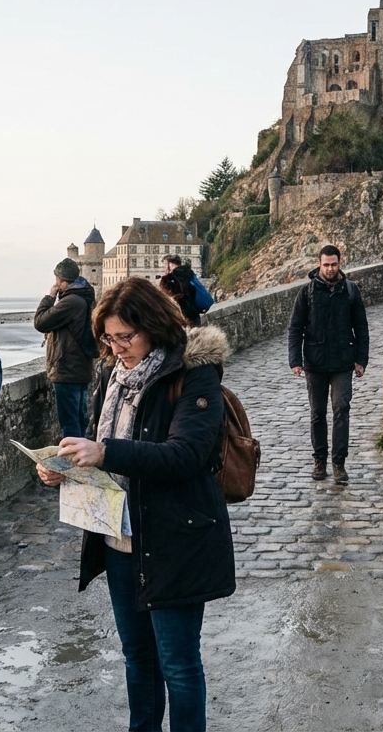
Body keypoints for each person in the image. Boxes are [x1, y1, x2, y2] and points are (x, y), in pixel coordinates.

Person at [37, 276, 235, 732]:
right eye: (108, 337)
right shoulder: (112, 374)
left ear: (155, 326)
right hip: (120, 537)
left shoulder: (193, 373)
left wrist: (105, 451)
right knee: (137, 658)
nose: (117, 346)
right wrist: (61, 469)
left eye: (126, 336)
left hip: (174, 539)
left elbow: (186, 454)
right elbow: (99, 449)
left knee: (178, 665)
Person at [287, 245, 370, 484]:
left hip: (343, 361)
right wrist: (295, 360)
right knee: (317, 414)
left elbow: (361, 328)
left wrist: (361, 359)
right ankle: (319, 460)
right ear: (319, 264)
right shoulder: (307, 292)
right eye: (326, 265)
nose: (330, 269)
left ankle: (339, 463)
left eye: (334, 264)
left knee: (341, 410)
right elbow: (295, 328)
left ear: (340, 263)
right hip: (315, 362)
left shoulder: (351, 291)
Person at [34, 258, 97, 440]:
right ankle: (82, 458)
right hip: (80, 367)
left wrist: (49, 297)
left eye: (57, 281)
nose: (56, 284)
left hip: (67, 369)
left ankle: (73, 462)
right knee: (80, 418)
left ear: (62, 280)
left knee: (71, 423)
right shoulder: (84, 297)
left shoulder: (72, 302)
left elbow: (40, 322)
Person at [159, 255, 202, 326]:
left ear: (171, 264)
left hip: (182, 313)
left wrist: (166, 278)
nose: (165, 268)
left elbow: (168, 293)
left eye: (165, 265)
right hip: (194, 311)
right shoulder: (188, 272)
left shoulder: (173, 277)